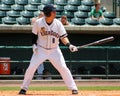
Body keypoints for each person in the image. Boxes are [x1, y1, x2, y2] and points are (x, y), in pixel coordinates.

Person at [18, 4, 78, 95]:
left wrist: (69, 45)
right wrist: (34, 45)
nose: (55, 13)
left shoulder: (58, 23)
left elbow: (63, 37)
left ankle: (73, 88)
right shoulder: (38, 22)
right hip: (41, 49)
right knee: (31, 67)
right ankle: (23, 88)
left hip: (54, 50)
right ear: (47, 13)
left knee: (63, 68)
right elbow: (34, 35)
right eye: (53, 11)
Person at [31, 12, 44, 80]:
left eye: (43, 16)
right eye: (40, 16)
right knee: (34, 63)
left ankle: (39, 75)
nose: (42, 17)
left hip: (42, 46)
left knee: (40, 63)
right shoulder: (36, 22)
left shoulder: (44, 24)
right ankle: (32, 76)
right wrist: (34, 45)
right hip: (36, 45)